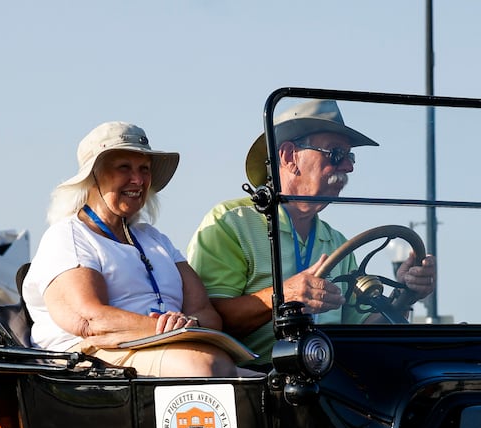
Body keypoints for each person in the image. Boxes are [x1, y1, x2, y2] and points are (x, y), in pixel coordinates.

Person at [187, 99, 436, 361]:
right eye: (335, 153)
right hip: (257, 382)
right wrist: (285, 297)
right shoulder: (231, 224)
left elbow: (362, 333)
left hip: (327, 381)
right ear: (289, 156)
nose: (348, 166)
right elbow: (206, 322)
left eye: (350, 156)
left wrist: (405, 294)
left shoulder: (337, 242)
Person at [24, 122, 250, 377]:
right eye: (124, 168)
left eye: (144, 169)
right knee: (204, 366)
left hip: (168, 349)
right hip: (89, 360)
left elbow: (206, 314)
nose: (139, 180)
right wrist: (166, 329)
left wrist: (189, 324)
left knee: (275, 386)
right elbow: (90, 322)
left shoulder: (155, 239)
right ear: (94, 176)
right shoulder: (68, 236)